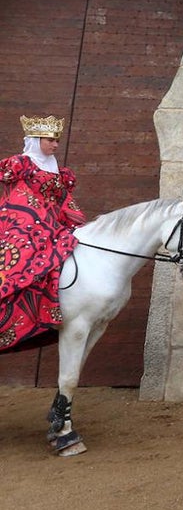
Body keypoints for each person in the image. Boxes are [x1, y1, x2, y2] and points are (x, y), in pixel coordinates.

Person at [0, 115, 86, 352]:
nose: (55, 145)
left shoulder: (58, 170)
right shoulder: (22, 164)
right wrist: (40, 221)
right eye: (50, 140)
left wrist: (77, 221)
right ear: (35, 140)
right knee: (20, 263)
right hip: (25, 223)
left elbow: (62, 200)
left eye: (57, 140)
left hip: (52, 222)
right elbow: (16, 197)